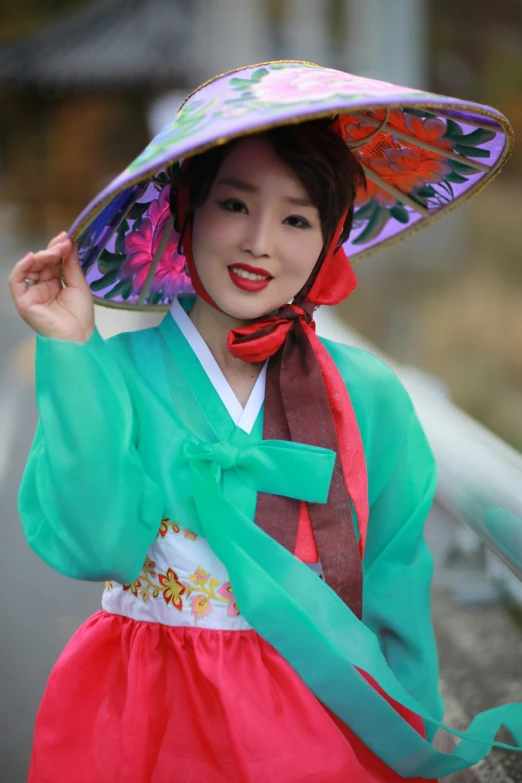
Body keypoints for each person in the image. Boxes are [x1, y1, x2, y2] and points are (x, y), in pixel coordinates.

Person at [9, 60, 522, 780]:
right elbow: (97, 543)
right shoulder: (114, 371)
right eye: (234, 204)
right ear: (186, 211)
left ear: (330, 238)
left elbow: (395, 586)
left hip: (318, 720)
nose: (260, 243)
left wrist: (402, 729)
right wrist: (68, 349)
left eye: (297, 218)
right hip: (142, 716)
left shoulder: (370, 395)